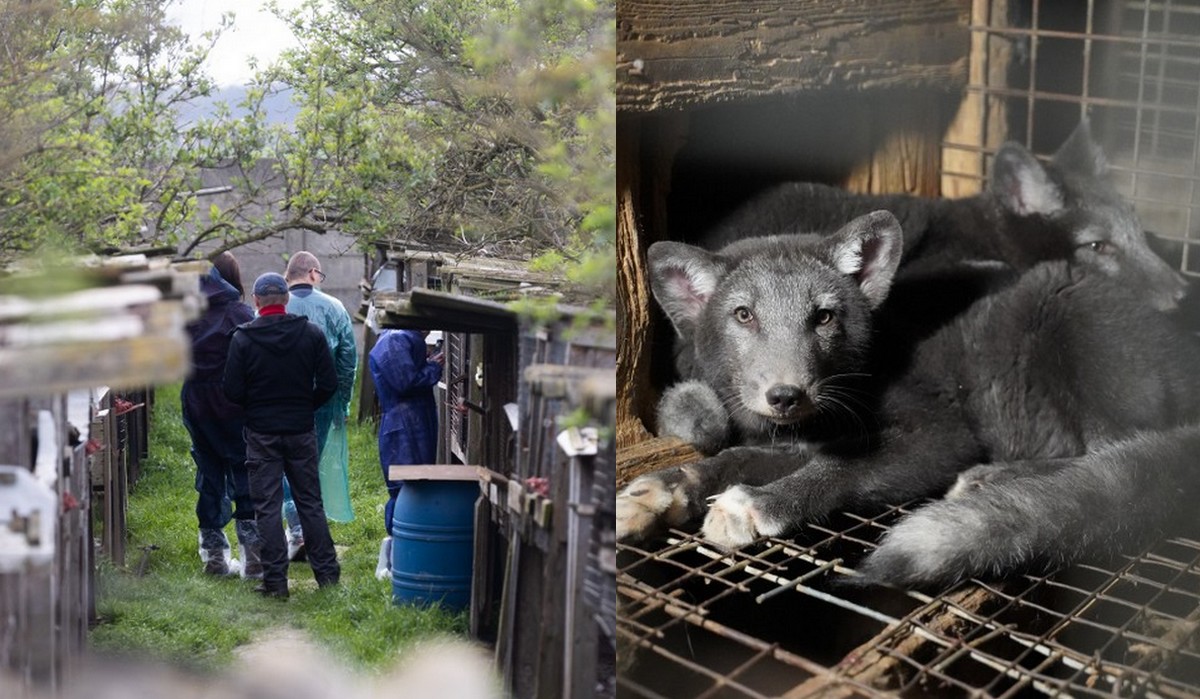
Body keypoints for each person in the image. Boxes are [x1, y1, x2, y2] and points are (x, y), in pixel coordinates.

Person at [223, 272, 341, 598]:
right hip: (301, 430)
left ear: (256, 302)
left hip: (261, 434)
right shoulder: (311, 335)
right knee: (310, 504)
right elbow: (330, 384)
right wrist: (306, 406)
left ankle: (275, 583)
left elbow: (231, 390)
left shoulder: (243, 339)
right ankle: (328, 578)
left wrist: (256, 408)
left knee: (268, 507)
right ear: (287, 300)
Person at [180, 251, 261, 578]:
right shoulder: (241, 313)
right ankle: (254, 559)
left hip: (197, 401)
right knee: (245, 471)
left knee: (209, 472)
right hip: (235, 402)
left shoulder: (186, 313)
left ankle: (214, 558)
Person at [280, 251, 359, 560]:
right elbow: (348, 360)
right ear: (313, 273)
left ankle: (296, 531)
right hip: (322, 402)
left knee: (282, 465)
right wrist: (342, 402)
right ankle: (307, 532)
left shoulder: (275, 305)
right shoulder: (334, 308)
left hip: (278, 403)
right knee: (308, 464)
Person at [367, 328, 444, 579]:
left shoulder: (396, 338)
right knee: (405, 488)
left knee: (412, 486)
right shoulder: (396, 340)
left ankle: (399, 558)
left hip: (410, 420)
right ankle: (394, 560)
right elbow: (405, 381)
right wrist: (433, 367)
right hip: (405, 424)